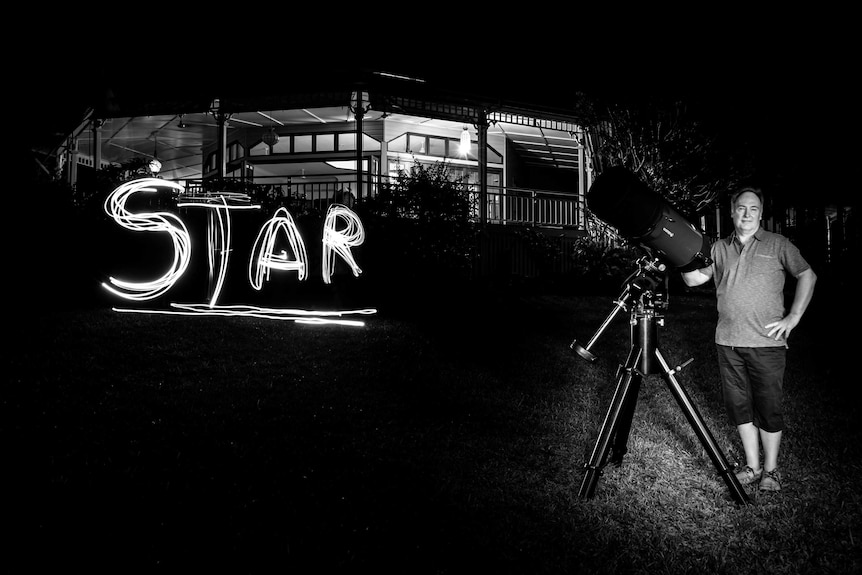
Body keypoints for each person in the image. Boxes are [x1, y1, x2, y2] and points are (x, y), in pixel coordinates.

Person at [681, 186, 817, 492]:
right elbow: (694, 279)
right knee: (739, 406)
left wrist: (793, 318)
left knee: (768, 406)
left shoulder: (778, 244)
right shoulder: (719, 248)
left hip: (766, 343)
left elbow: (807, 275)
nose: (746, 213)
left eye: (753, 209)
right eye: (741, 208)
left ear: (761, 213)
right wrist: (677, 255)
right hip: (727, 342)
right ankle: (752, 467)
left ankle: (772, 470)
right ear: (732, 211)